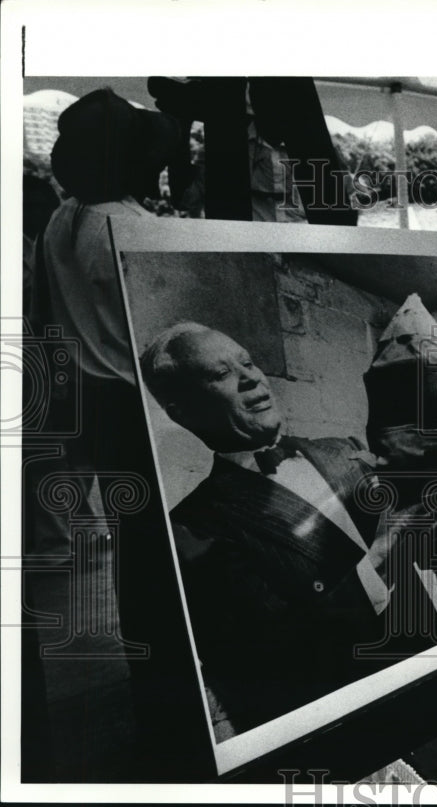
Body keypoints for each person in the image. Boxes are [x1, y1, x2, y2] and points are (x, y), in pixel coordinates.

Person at [140, 323, 437, 735]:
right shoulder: (193, 526)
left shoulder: (345, 449)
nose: (252, 377)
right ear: (182, 410)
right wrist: (379, 562)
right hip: (358, 720)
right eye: (220, 374)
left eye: (247, 361)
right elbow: (273, 657)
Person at [33, 88, 205, 776]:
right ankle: (183, 708)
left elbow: (49, 320)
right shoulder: (135, 228)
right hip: (145, 408)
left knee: (138, 564)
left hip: (98, 413)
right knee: (175, 563)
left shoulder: (58, 222)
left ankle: (154, 700)